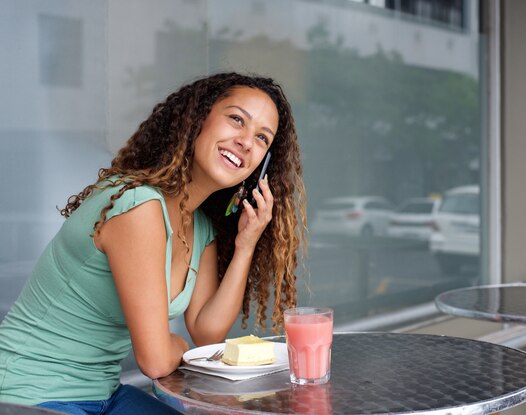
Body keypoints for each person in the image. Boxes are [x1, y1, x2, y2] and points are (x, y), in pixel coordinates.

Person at [0, 72, 307, 414]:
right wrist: (175, 345)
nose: (247, 142)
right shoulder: (139, 206)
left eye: (262, 138)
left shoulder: (198, 225)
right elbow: (157, 361)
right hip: (29, 393)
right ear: (197, 119)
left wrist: (246, 244)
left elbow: (206, 333)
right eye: (237, 119)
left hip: (102, 393)